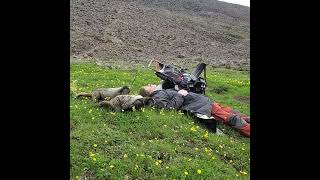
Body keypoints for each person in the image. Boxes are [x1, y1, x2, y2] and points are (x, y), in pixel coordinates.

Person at [139, 84, 250, 137]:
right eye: (148, 86)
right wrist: (180, 95)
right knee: (232, 118)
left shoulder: (161, 91)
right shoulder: (156, 97)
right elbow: (169, 108)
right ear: (148, 92)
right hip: (202, 106)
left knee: (233, 113)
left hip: (206, 102)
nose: (150, 84)